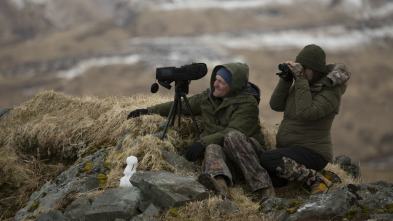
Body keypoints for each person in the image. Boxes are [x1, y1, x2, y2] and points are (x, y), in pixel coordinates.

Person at [127, 62, 275, 199]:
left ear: (234, 86)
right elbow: (181, 105)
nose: (215, 84)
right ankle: (220, 185)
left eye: (222, 82)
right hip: (230, 164)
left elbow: (235, 130)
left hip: (251, 158)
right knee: (212, 147)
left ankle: (265, 188)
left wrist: (202, 143)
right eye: (216, 79)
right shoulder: (208, 98)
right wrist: (148, 111)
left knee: (232, 136)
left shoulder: (247, 103)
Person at [259, 44, 351, 195]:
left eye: (304, 68)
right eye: (299, 67)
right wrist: (286, 80)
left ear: (316, 70)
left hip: (314, 152)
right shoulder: (304, 84)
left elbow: (306, 113)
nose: (300, 71)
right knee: (274, 179)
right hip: (292, 149)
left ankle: (316, 180)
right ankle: (319, 174)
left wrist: (300, 79)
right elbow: (276, 105)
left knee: (268, 158)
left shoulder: (330, 93)